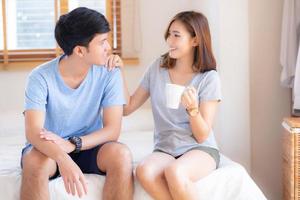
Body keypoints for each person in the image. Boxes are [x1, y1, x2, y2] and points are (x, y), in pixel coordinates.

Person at [20, 7, 133, 200]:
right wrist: (62, 156)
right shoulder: (40, 77)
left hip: (90, 146)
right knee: (34, 162)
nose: (108, 47)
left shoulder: (109, 73)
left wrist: (73, 145)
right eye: (102, 42)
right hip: (50, 149)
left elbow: (113, 130)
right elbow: (33, 131)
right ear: (80, 50)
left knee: (121, 154)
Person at [108, 11, 221, 199]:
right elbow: (127, 108)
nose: (169, 40)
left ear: (195, 40)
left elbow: (202, 136)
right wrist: (119, 71)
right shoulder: (157, 67)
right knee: (144, 171)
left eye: (176, 35)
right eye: (169, 34)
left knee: (175, 172)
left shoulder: (209, 78)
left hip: (199, 149)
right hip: (165, 148)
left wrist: (192, 110)